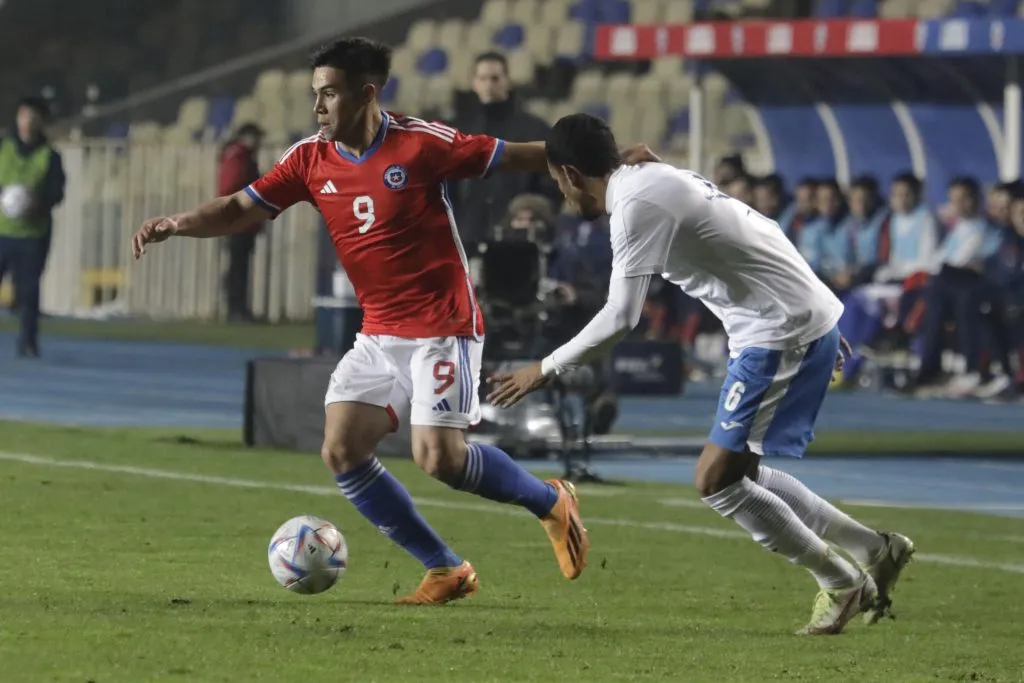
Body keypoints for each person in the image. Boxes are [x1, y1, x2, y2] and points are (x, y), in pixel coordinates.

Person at [131, 37, 595, 606]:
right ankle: (446, 568)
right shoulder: (309, 159)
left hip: (442, 326)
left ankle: (550, 502)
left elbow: (520, 154)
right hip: (379, 332)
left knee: (440, 460)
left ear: (367, 94)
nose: (318, 106)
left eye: (329, 94)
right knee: (342, 449)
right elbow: (238, 209)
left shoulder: (422, 144)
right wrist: (177, 223)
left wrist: (603, 165)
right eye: (314, 95)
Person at [488, 113, 915, 636]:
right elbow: (758, 231)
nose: (563, 194)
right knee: (744, 474)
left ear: (572, 174)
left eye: (557, 181)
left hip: (776, 333)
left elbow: (622, 317)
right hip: (789, 322)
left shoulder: (634, 206)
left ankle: (842, 580)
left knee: (716, 481)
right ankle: (874, 548)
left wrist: (546, 366)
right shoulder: (658, 178)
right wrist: (819, 311)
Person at [450, 52, 559, 252]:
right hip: (465, 238)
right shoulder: (457, 130)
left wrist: (532, 214)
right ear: (474, 83)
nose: (489, 85)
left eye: (495, 78)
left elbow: (553, 185)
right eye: (482, 78)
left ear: (508, 81)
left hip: (519, 241)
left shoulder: (535, 130)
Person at [0, 96, 66, 357]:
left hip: (32, 234)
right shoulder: (3, 147)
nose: (28, 121)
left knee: (28, 292)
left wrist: (35, 203)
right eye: (24, 115)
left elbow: (56, 192)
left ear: (41, 121)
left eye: (34, 116)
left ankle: (28, 342)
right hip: (1, 231)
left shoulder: (49, 156)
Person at [218, 122, 265, 321]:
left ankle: (238, 308)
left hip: (241, 219)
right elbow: (231, 186)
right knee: (238, 267)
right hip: (239, 219)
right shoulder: (238, 157)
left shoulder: (240, 156)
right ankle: (235, 309)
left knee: (240, 266)